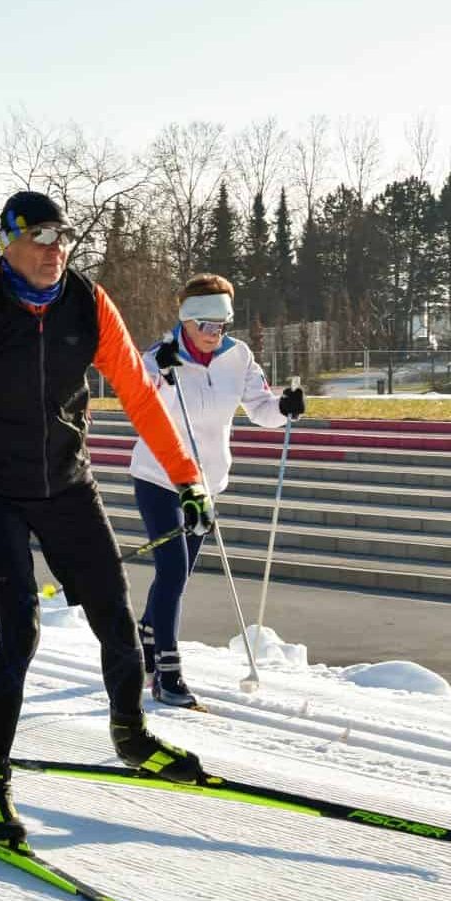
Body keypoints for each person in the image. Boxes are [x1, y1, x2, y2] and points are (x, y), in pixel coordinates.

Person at [0, 191, 219, 846]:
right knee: (21, 632)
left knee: (116, 618)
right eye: (39, 237)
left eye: (61, 237)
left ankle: (131, 734)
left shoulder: (88, 304)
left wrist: (187, 479)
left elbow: (139, 394)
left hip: (66, 483)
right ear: (8, 241)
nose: (53, 250)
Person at [130, 273, 305, 708]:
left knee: (181, 570)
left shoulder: (238, 356)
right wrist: (161, 375)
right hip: (160, 478)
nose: (214, 335)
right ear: (187, 322)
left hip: (207, 483)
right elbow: (139, 403)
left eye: (222, 326)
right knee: (172, 569)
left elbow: (261, 408)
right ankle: (167, 673)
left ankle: (147, 634)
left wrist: (283, 407)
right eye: (206, 326)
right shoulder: (158, 358)